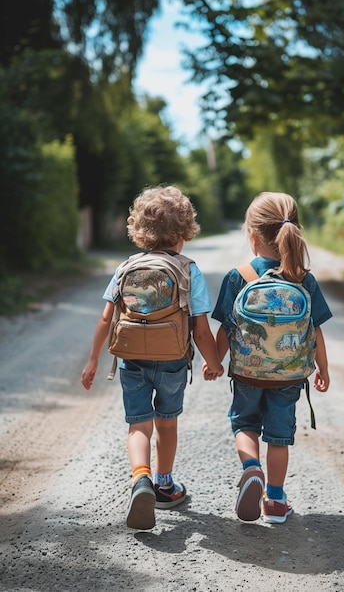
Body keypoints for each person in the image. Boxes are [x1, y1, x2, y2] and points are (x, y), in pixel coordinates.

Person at [81, 185, 224, 530]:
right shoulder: (189, 270)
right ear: (185, 231)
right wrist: (215, 362)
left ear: (139, 230)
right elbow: (201, 329)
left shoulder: (126, 267)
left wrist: (93, 360)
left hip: (131, 360)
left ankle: (140, 478)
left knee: (138, 424)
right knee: (167, 422)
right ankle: (164, 484)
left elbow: (106, 318)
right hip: (172, 361)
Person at [204, 191, 332, 524]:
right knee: (279, 437)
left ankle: (251, 470)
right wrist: (323, 369)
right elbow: (315, 330)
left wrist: (216, 362)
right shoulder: (303, 279)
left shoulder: (238, 276)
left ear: (253, 235)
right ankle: (275, 501)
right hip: (289, 377)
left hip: (247, 374)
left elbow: (225, 329)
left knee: (245, 424)